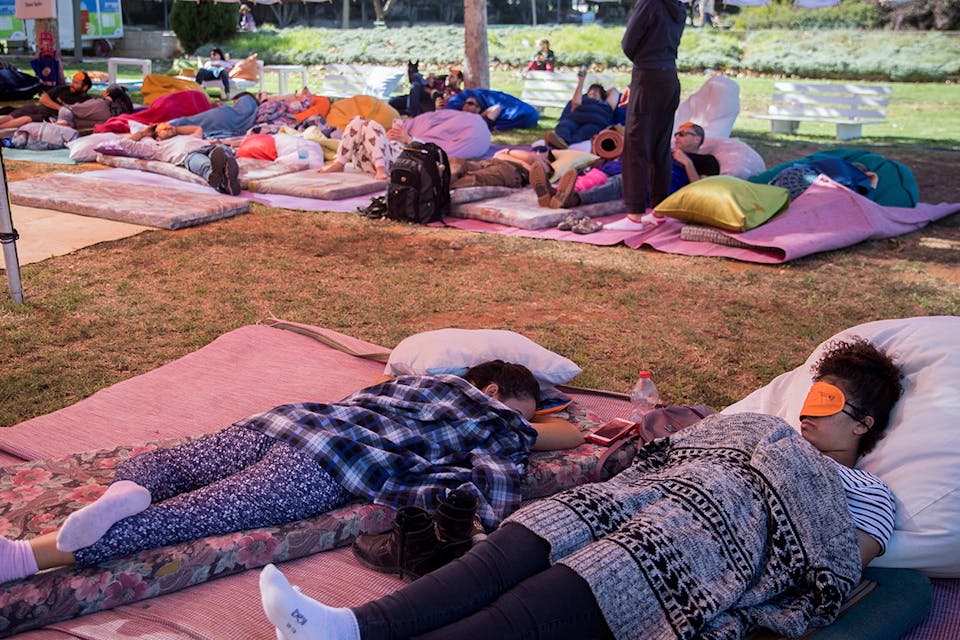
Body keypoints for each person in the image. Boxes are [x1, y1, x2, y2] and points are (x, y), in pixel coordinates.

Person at [260, 337, 902, 640]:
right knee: (537, 531)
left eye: (831, 404)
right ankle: (347, 628)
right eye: (810, 399)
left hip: (709, 533)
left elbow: (836, 562)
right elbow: (682, 454)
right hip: (659, 491)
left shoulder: (866, 491)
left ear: (864, 423)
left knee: (603, 571)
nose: (809, 414)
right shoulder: (760, 429)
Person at [0, 361, 542, 585]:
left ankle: (129, 487)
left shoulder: (413, 378)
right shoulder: (498, 418)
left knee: (176, 462)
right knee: (198, 514)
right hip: (331, 460)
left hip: (287, 419)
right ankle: (27, 557)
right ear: (495, 393)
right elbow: (494, 485)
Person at [532, 121, 719, 213]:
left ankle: (573, 199)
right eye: (677, 133)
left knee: (623, 181)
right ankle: (554, 193)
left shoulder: (707, 161)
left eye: (684, 134)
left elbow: (699, 189)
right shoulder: (666, 150)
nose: (677, 137)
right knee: (611, 175)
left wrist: (686, 162)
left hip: (661, 184)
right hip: (642, 172)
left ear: (698, 139)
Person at [620, 0, 687, 225]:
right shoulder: (678, 5)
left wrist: (642, 74)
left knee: (635, 146)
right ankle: (659, 211)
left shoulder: (650, 2)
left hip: (648, 76)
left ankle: (634, 216)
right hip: (669, 77)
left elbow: (629, 43)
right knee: (660, 146)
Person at [128, 122, 242, 196]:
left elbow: (197, 128)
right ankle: (221, 180)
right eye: (164, 129)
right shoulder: (156, 147)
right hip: (190, 155)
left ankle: (225, 176)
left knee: (220, 150)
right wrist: (143, 133)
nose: (168, 127)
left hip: (209, 147)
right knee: (204, 165)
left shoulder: (188, 137)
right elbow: (125, 144)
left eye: (169, 126)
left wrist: (176, 129)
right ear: (157, 138)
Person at [543, 67, 613, 150]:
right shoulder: (582, 100)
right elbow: (575, 104)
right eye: (590, 91)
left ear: (602, 95)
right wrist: (581, 80)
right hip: (575, 119)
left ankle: (566, 145)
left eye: (596, 91)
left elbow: (614, 91)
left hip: (594, 122)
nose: (592, 92)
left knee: (585, 131)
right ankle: (561, 140)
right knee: (565, 125)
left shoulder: (605, 104)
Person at [0, 71, 93, 130]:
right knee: (10, 116)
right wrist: (61, 108)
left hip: (48, 116)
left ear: (85, 87)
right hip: (38, 108)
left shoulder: (86, 101)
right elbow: (43, 98)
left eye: (76, 83)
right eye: (73, 81)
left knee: (26, 119)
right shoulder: (63, 89)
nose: (72, 84)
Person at [769, 157, 880, 202]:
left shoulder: (833, 162)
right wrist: (872, 183)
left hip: (785, 175)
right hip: (806, 183)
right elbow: (865, 205)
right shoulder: (851, 179)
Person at [55, 83, 134, 130]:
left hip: (70, 124)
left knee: (65, 112)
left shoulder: (100, 104)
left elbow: (68, 110)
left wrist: (62, 119)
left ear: (106, 93)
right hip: (79, 127)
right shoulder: (124, 111)